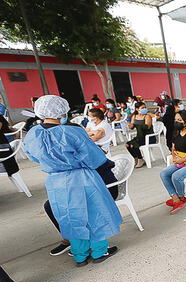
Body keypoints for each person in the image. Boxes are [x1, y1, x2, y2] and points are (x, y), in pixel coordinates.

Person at [24, 95, 121, 267]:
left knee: (69, 216)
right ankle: (99, 251)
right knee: (93, 213)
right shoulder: (71, 131)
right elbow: (94, 156)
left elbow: (33, 156)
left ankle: (80, 255)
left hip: (56, 181)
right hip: (81, 177)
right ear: (62, 109)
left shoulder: (33, 134)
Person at [126, 102, 155, 168]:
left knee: (133, 144)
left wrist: (136, 125)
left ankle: (140, 159)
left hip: (149, 137)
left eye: (145, 107)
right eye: (142, 108)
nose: (144, 109)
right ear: (137, 109)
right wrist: (130, 125)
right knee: (127, 145)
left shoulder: (147, 116)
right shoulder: (134, 116)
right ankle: (136, 159)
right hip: (140, 136)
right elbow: (131, 127)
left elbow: (147, 126)